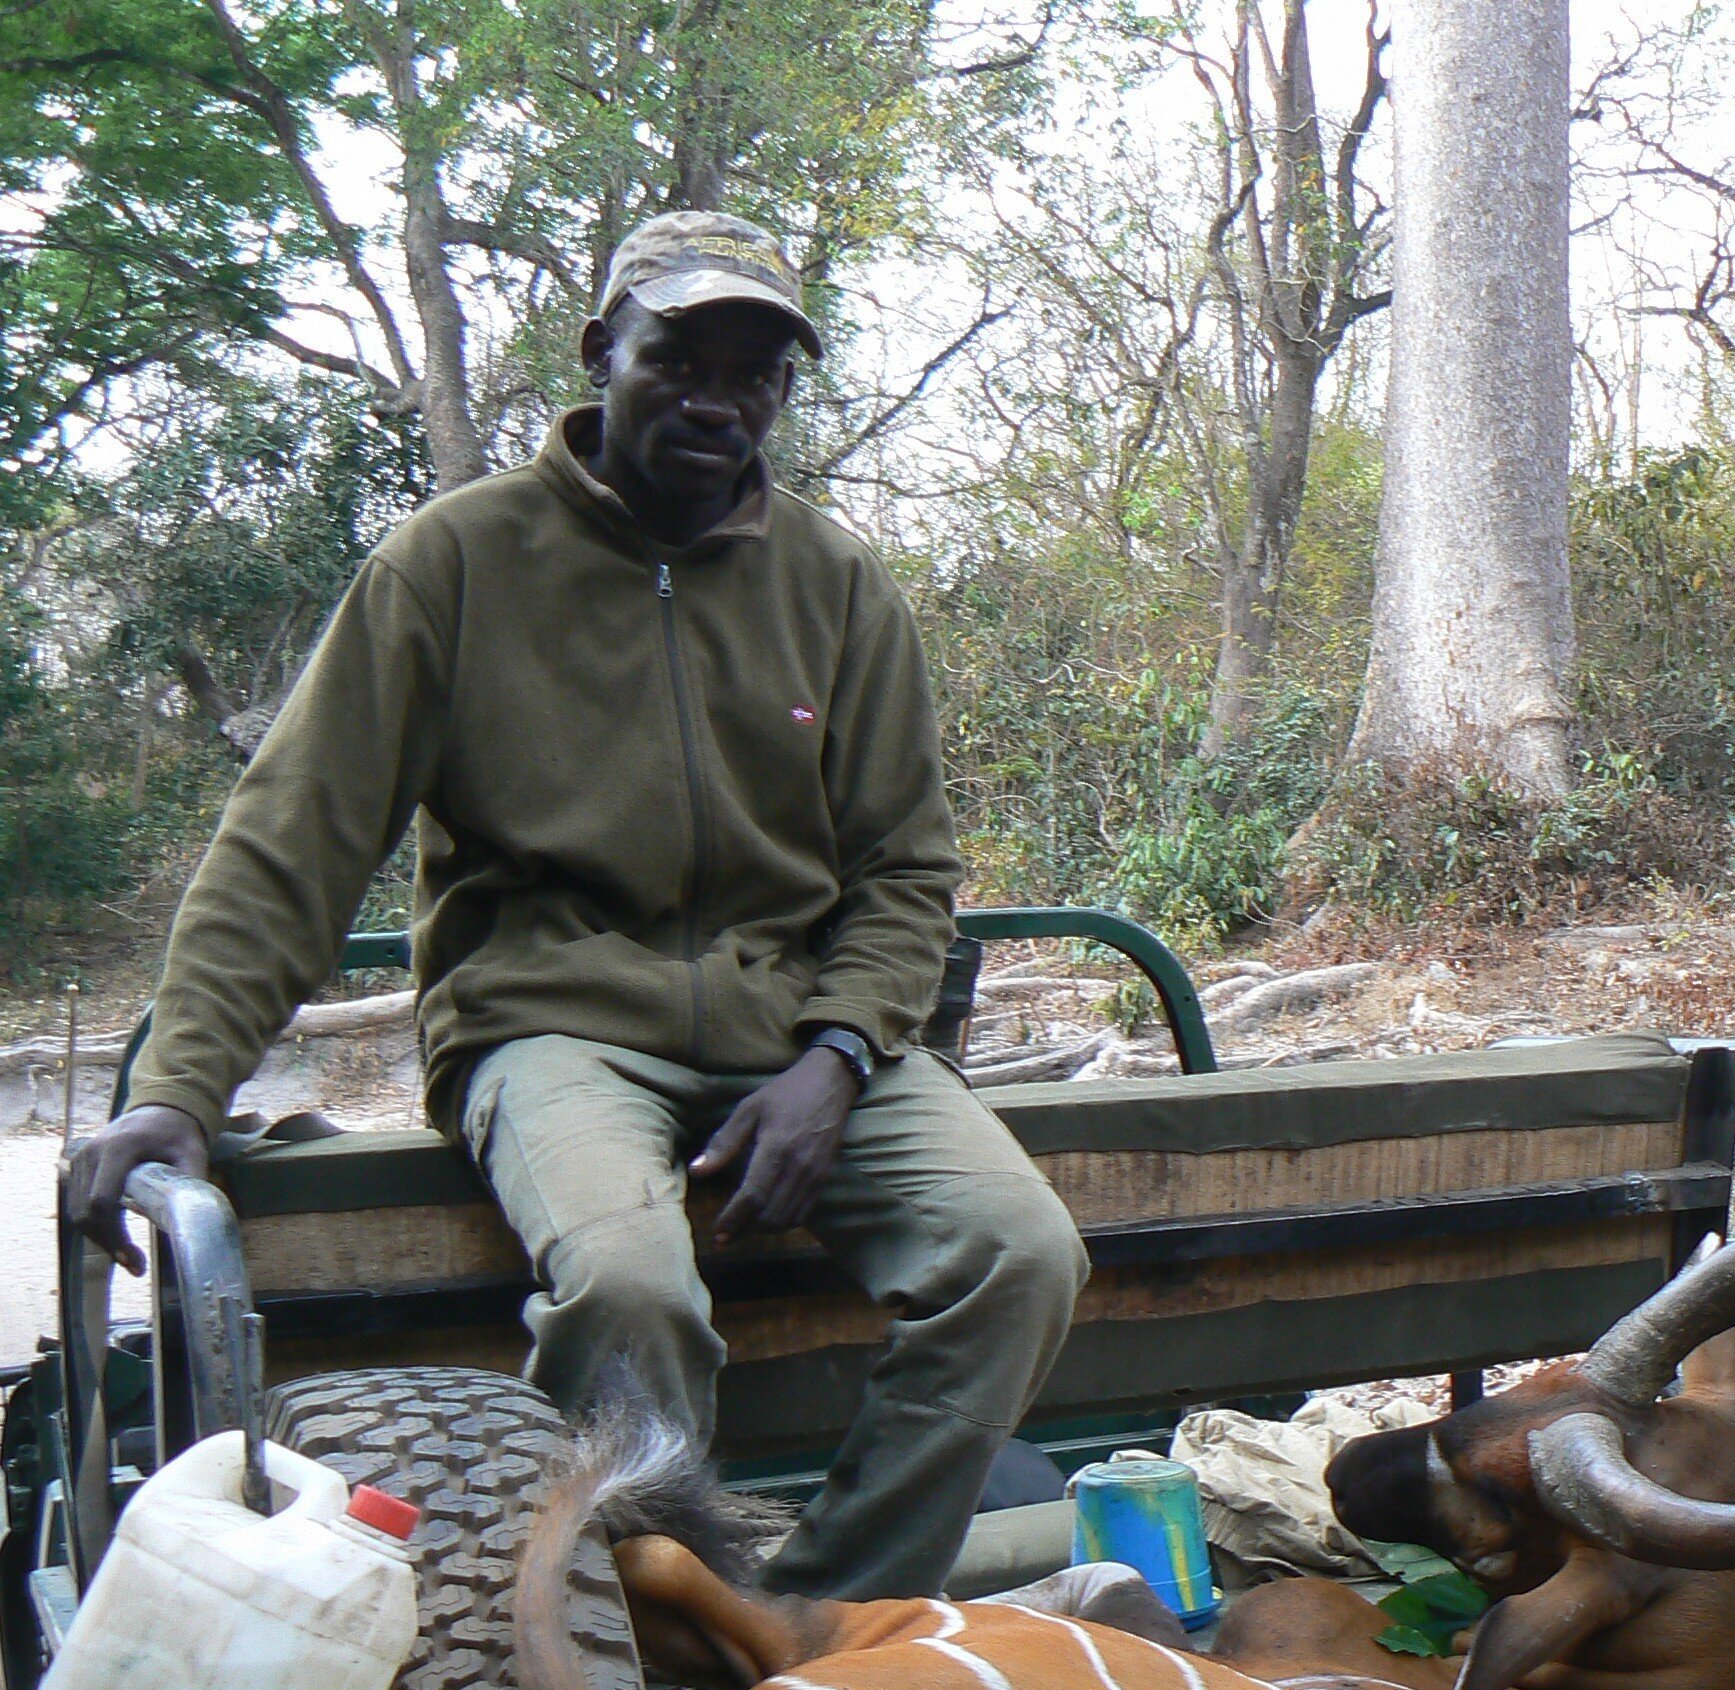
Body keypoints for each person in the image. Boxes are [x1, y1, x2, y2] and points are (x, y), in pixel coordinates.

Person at [63, 211, 1087, 1602]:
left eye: (757, 372)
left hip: (798, 1031)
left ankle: (806, 1634)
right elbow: (288, 845)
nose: (718, 399)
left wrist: (838, 1058)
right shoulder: (455, 564)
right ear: (603, 349)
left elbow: (906, 872)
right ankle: (647, 1635)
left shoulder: (835, 583)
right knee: (631, 1295)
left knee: (1021, 1258)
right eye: (680, 356)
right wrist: (179, 1087)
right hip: (552, 1026)